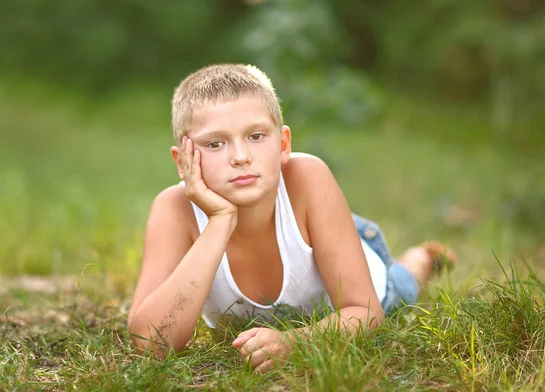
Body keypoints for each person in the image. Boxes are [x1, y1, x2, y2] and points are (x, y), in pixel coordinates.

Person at [127, 64, 457, 372]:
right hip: (308, 235)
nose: (241, 157)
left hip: (352, 263)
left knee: (401, 288)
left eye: (256, 136)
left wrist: (294, 342)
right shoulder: (173, 209)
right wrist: (220, 221)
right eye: (215, 144)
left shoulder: (308, 176)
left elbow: (366, 312)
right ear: (182, 160)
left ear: (283, 143)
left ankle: (420, 258)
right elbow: (150, 344)